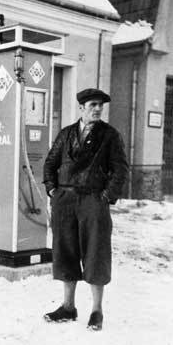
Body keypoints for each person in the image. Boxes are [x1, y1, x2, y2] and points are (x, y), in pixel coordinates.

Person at [43, 88, 128, 331]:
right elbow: (50, 163)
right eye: (93, 105)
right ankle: (68, 307)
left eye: (101, 105)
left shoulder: (110, 135)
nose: (98, 109)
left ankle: (96, 311)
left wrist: (106, 196)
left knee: (95, 253)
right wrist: (52, 190)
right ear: (81, 108)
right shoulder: (66, 133)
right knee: (66, 251)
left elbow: (120, 169)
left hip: (93, 201)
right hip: (65, 201)